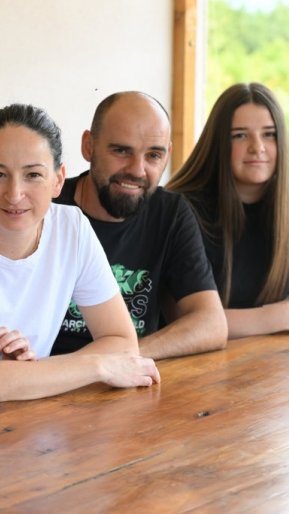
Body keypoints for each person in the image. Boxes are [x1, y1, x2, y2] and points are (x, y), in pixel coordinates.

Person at [0, 103, 160, 403]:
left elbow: (123, 343)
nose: (14, 194)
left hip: (25, 412)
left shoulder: (72, 229)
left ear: (58, 180)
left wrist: (24, 375)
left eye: (33, 175)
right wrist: (99, 366)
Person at [51, 91, 228, 359]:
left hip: (129, 374)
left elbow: (211, 324)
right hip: (47, 376)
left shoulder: (170, 213)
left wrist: (119, 358)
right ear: (88, 146)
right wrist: (88, 368)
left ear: (167, 155)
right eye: (121, 151)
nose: (137, 169)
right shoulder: (46, 208)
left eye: (153, 155)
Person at [166, 82, 289, 338]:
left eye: (269, 134)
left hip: (266, 355)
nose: (257, 146)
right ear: (218, 142)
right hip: (193, 358)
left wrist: (270, 319)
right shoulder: (181, 207)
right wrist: (281, 316)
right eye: (240, 135)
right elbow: (183, 320)